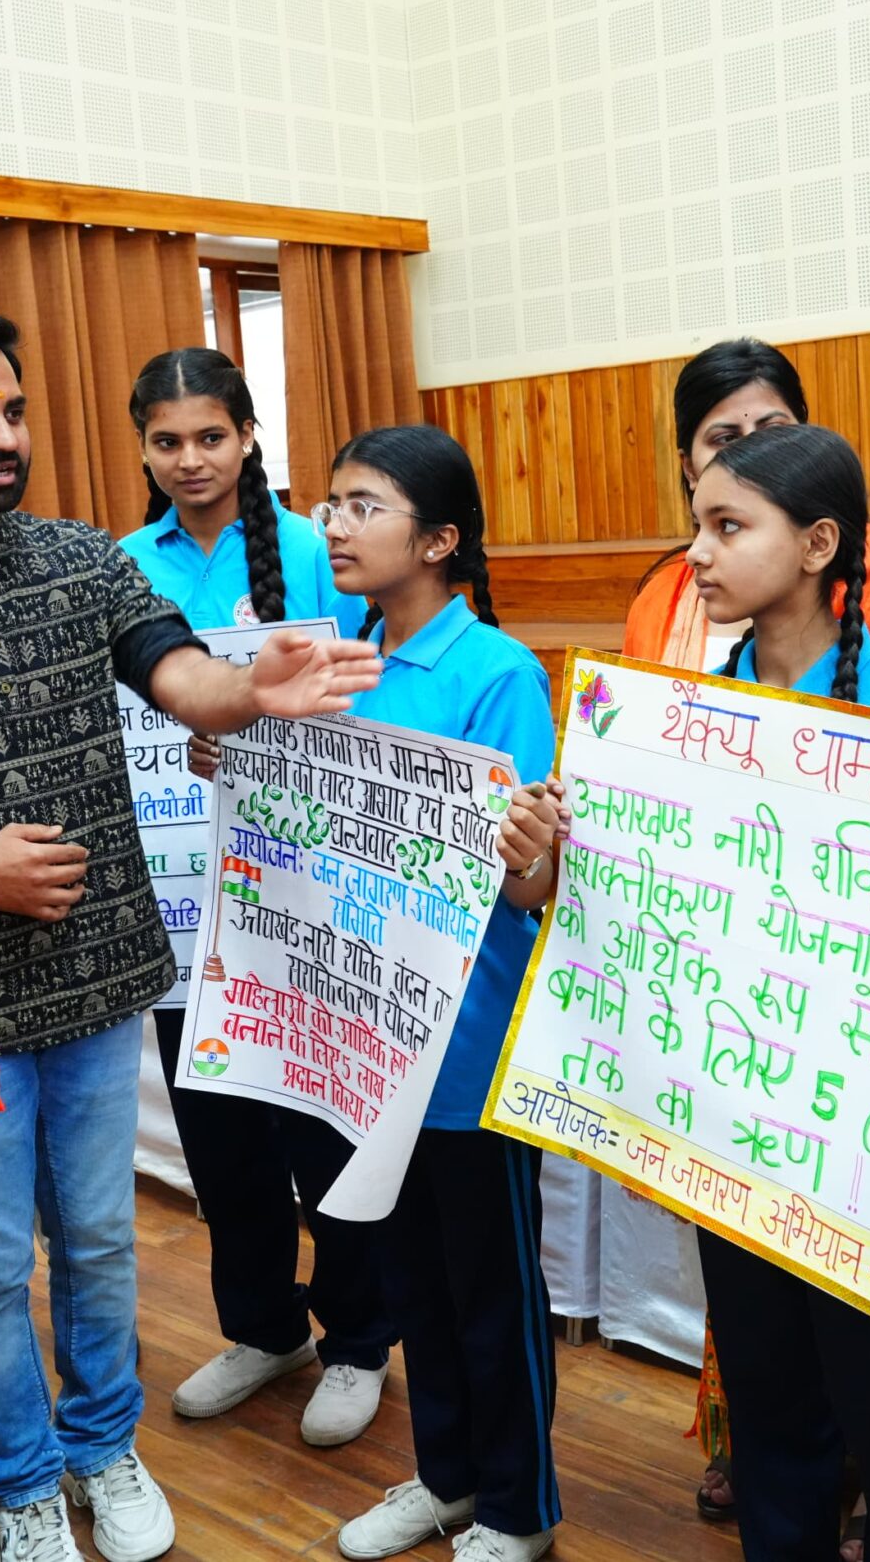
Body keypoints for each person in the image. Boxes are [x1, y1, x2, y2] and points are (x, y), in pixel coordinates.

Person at [0, 306, 382, 1562]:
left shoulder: (82, 562)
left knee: (98, 1239)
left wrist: (252, 692)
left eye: (14, 411)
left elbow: (183, 679)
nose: (3, 437)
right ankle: (19, 1486)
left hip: (98, 973)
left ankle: (104, 1447)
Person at [672, 423, 870, 1562]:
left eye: (727, 526)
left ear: (817, 545)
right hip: (736, 1123)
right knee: (770, 1401)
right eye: (697, 524)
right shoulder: (679, 717)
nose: (697, 553)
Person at [116, 346, 391, 1447]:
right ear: (142, 447)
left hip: (305, 901)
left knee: (322, 1138)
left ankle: (358, 1339)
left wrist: (253, 740)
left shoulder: (315, 553)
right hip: (186, 908)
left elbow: (364, 709)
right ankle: (264, 1329)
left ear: (247, 438)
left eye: (211, 437)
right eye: (167, 441)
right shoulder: (124, 564)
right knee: (222, 1145)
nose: (190, 459)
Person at [314, 426, 567, 1562]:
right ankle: (446, 1477)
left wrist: (527, 847)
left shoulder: (497, 673)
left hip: (468, 1053)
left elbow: (526, 882)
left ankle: (516, 1508)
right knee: (412, 1277)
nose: (335, 525)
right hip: (367, 1037)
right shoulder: (339, 662)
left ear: (440, 540)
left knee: (489, 1291)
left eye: (363, 505)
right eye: (331, 504)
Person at [621, 338, 870, 722]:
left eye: (773, 432)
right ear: (689, 468)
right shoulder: (664, 611)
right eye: (726, 439)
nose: (752, 454)